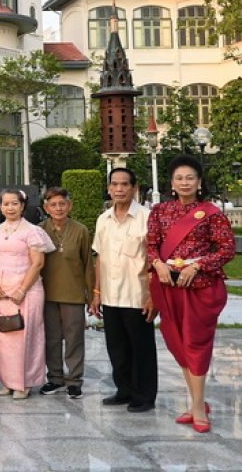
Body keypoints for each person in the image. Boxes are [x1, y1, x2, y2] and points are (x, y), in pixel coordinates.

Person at [147, 156, 235, 433]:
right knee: (179, 345)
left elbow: (226, 249)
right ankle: (197, 401)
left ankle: (198, 408)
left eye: (190, 178)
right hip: (167, 287)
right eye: (179, 178)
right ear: (171, 183)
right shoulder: (159, 212)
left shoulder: (212, 213)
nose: (184, 182)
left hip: (200, 290)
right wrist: (158, 263)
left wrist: (198, 266)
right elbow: (151, 245)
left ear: (199, 183)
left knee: (196, 345)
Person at [91, 167, 157, 413]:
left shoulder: (146, 218)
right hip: (110, 294)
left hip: (137, 294)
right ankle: (124, 390)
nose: (119, 189)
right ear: (109, 188)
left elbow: (154, 259)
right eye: (114, 184)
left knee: (142, 348)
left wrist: (152, 295)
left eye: (124, 184)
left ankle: (144, 395)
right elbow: (99, 257)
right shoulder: (103, 220)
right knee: (116, 347)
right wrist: (96, 292)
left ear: (134, 188)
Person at [0, 189, 56, 400]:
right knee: (3, 338)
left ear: (22, 206)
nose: (10, 207)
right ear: (0, 207)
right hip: (0, 292)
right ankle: (8, 381)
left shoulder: (32, 231)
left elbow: (38, 263)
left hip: (27, 290)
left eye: (14, 203)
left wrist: (22, 289)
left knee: (26, 337)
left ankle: (25, 382)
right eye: (6, 204)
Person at [38, 187, 93, 400]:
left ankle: (75, 380)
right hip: (47, 294)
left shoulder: (80, 230)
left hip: (73, 293)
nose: (58, 208)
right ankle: (55, 378)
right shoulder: (40, 230)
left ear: (69, 206)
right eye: (53, 204)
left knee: (74, 339)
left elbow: (88, 263)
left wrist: (91, 294)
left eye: (62, 203)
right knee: (51, 339)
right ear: (46, 208)